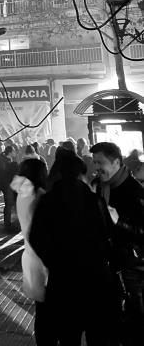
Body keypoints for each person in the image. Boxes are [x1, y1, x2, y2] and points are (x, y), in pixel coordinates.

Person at [30, 152, 121, 345]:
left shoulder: (48, 201)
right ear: (82, 174)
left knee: (68, 335)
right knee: (97, 335)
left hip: (62, 281)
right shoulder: (94, 200)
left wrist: (53, 261)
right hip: (94, 280)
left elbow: (36, 238)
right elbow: (109, 237)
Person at [91, 141, 144, 345]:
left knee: (134, 324)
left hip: (132, 270)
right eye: (94, 162)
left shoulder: (135, 191)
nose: (96, 167)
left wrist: (119, 223)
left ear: (116, 163)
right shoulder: (98, 187)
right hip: (108, 266)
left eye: (100, 162)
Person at [10, 159, 48, 344]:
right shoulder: (39, 194)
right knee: (48, 312)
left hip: (29, 254)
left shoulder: (21, 191)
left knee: (41, 312)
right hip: (42, 257)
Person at [0, 145, 18, 232]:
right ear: (10, 152)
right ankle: (3, 226)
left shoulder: (3, 159)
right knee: (3, 205)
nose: (15, 153)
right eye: (14, 151)